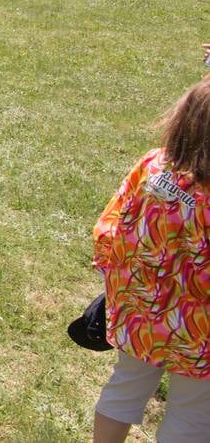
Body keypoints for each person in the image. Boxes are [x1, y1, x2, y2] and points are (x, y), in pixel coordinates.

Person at [90, 77, 210, 443]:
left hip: (139, 311)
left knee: (124, 389)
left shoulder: (152, 165)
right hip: (199, 330)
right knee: (193, 416)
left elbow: (109, 228)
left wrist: (119, 281)